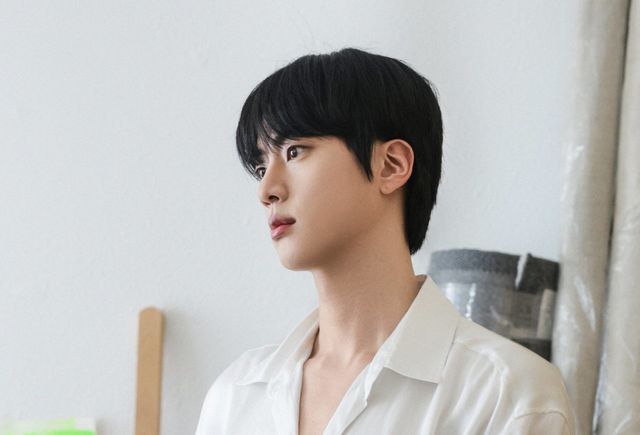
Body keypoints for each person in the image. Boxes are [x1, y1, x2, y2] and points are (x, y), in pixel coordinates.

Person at [195, 47, 576, 434]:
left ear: (391, 165)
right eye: (260, 166)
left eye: (295, 151)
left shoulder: (507, 396)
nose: (266, 190)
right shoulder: (236, 395)